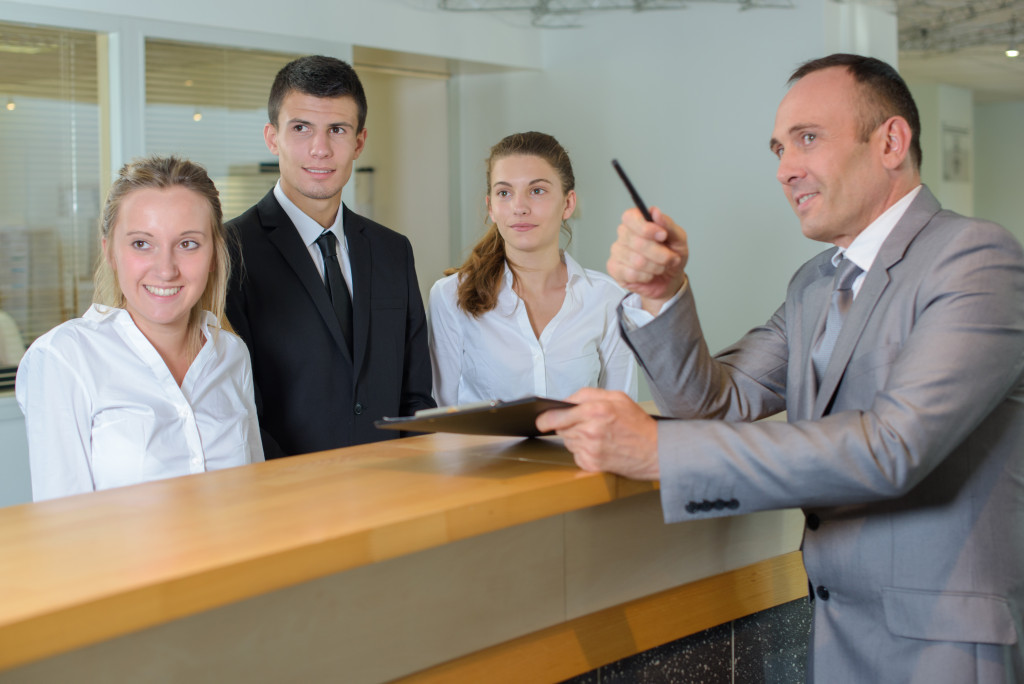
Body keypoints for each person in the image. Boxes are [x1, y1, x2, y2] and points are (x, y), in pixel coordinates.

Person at [537, 54, 1024, 682]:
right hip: (836, 633)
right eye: (778, 148)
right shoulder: (814, 286)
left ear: (891, 142)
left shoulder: (975, 257)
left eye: (808, 139)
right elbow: (717, 404)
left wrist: (662, 452)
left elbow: (893, 447)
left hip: (939, 648)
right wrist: (662, 295)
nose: (785, 168)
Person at [16, 156, 264, 501]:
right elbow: (61, 528)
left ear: (213, 256)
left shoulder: (231, 355)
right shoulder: (64, 358)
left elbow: (253, 500)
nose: (165, 270)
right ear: (110, 253)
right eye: (141, 244)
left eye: (188, 243)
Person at [226, 55, 434, 459]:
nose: (320, 149)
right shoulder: (230, 250)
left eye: (336, 129)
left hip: (392, 489)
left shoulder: (393, 250)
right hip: (288, 499)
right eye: (301, 128)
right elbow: (239, 405)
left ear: (358, 142)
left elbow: (415, 393)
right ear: (272, 138)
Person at [428, 132, 637, 406]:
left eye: (537, 191)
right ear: (491, 207)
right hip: (480, 452)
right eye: (504, 193)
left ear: (568, 203)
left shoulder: (609, 299)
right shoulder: (449, 296)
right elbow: (442, 420)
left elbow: (621, 417)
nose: (519, 207)